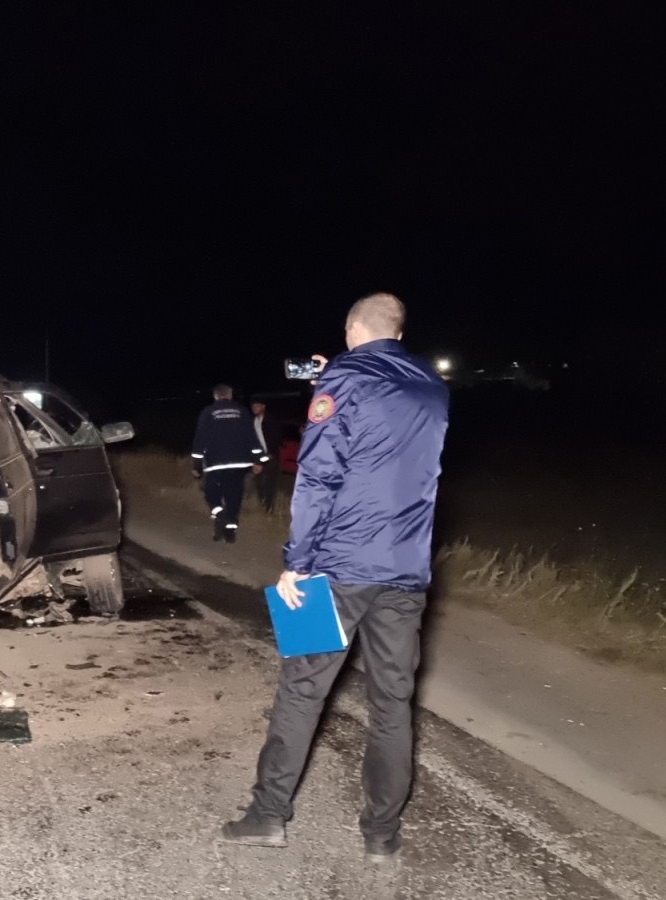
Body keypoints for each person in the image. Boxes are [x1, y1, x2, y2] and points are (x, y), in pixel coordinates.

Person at [217, 293, 449, 866]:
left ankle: (268, 817)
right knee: (393, 703)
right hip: (406, 570)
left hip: (336, 566)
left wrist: (296, 562)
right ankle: (382, 835)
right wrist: (333, 379)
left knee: (302, 689)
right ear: (398, 332)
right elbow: (387, 440)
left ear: (350, 329)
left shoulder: (346, 378)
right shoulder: (432, 385)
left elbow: (318, 475)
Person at [190, 384, 266, 543]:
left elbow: (200, 439)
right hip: (239, 463)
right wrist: (258, 460)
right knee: (234, 496)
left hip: (215, 463)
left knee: (211, 493)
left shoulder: (208, 412)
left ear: (215, 396)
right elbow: (252, 438)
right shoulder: (242, 411)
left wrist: (196, 465)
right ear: (230, 395)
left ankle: (220, 516)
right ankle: (230, 530)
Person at [250, 399, 285, 514]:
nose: (255, 408)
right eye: (253, 406)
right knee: (259, 483)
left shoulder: (271, 420)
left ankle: (269, 508)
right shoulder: (253, 421)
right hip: (257, 457)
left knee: (270, 483)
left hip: (271, 456)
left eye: (257, 406)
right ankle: (263, 504)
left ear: (263, 406)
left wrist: (270, 454)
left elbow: (276, 439)